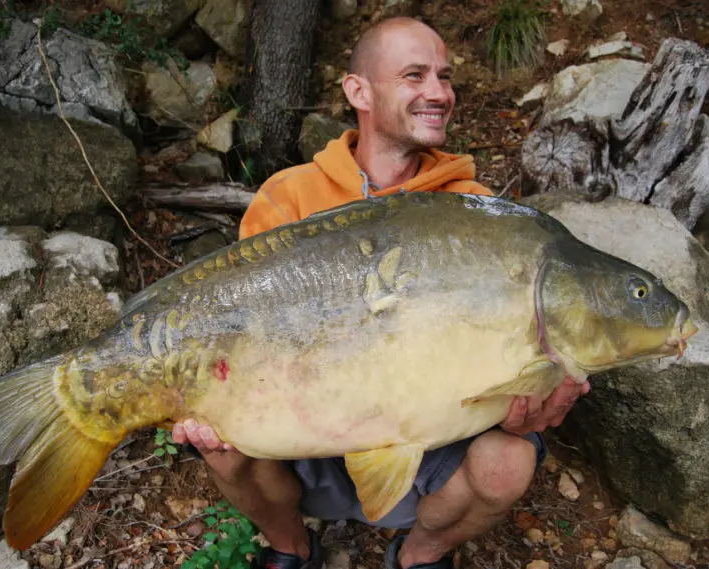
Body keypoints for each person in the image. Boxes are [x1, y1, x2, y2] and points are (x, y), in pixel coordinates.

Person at [172, 16, 590, 569]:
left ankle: (419, 554)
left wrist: (527, 397)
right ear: (358, 91)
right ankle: (291, 546)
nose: (439, 93)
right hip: (306, 438)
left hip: (430, 451)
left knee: (508, 460)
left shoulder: (474, 209)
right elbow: (247, 330)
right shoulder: (288, 196)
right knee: (220, 447)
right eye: (414, 75)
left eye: (444, 76)